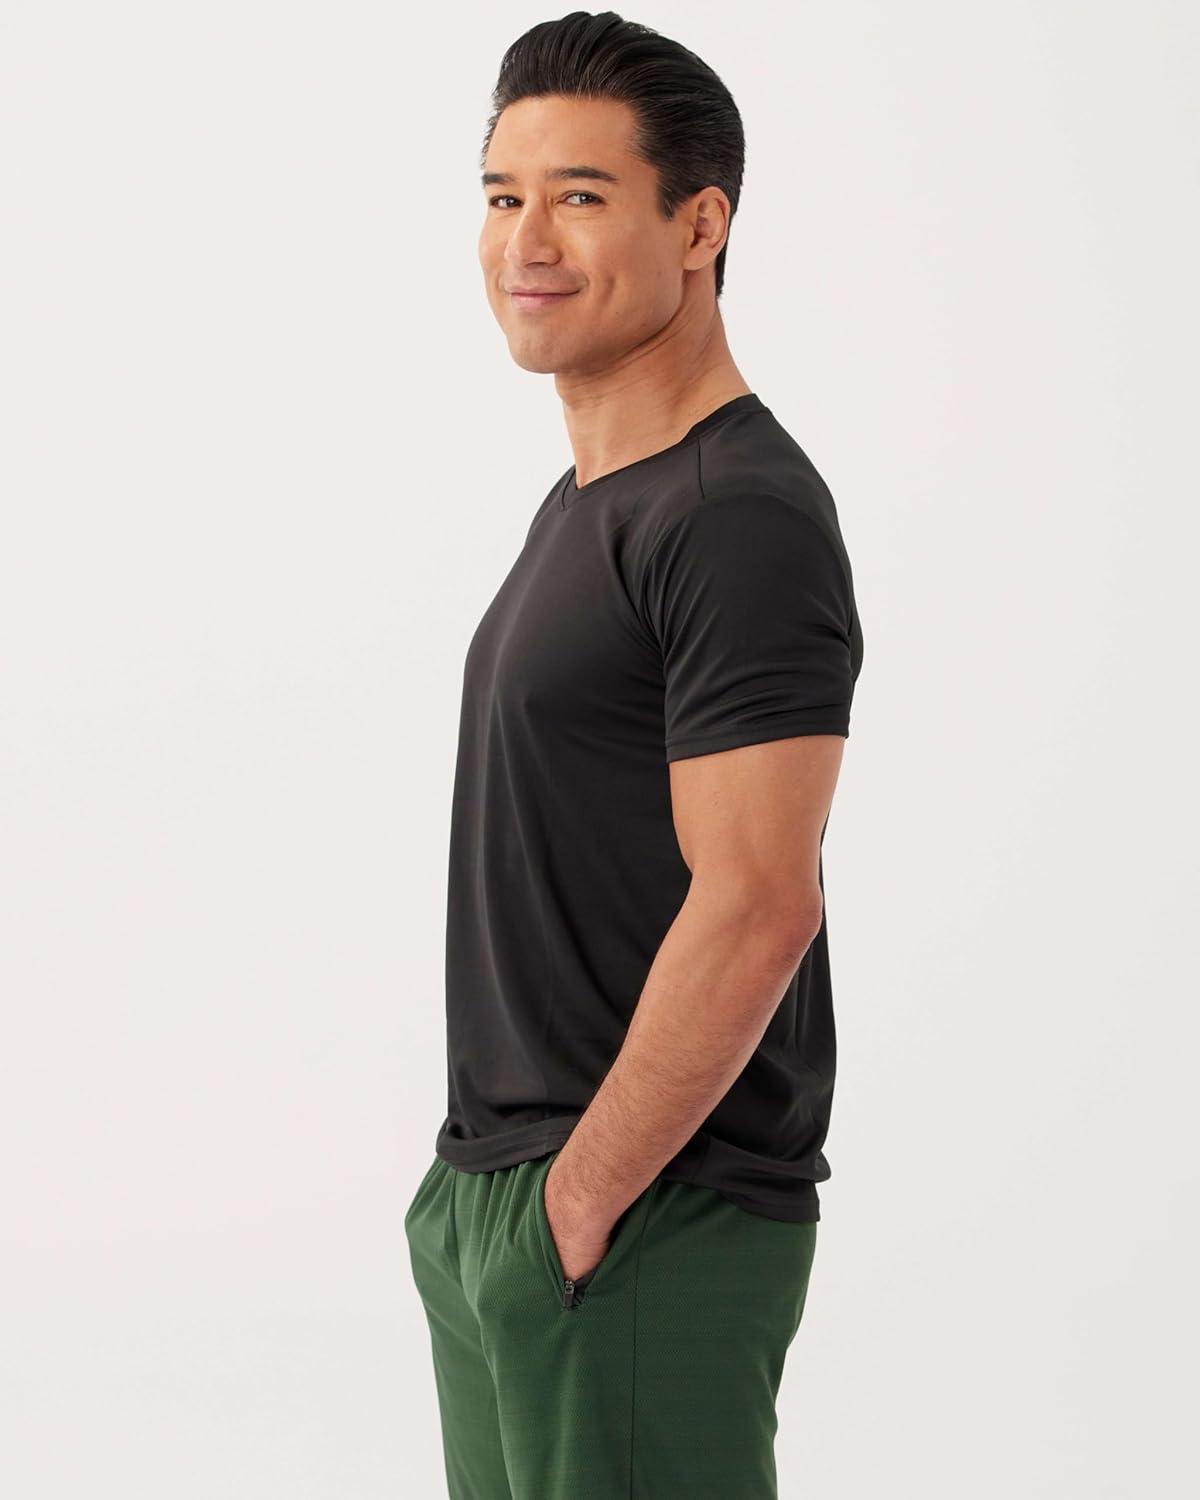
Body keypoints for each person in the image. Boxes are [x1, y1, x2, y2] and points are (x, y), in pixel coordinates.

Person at [404, 11, 864, 1497]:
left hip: (648, 1209)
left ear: (701, 225)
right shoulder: (595, 503)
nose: (527, 241)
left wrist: (582, 1200)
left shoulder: (733, 517)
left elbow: (759, 900)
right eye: (502, 195)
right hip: (514, 1195)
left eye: (582, 196)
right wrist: (489, 1210)